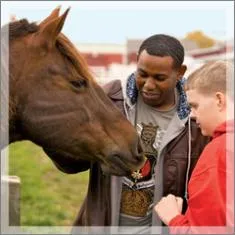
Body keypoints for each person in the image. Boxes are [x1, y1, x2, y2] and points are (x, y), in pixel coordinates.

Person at [72, 34, 209, 234]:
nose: (148, 85)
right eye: (142, 74)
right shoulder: (110, 100)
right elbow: (71, 162)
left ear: (180, 72)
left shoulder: (196, 121)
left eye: (159, 78)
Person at [155, 60, 234, 234]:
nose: (193, 114)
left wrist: (174, 218)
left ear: (219, 100)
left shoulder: (219, 152)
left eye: (195, 106)